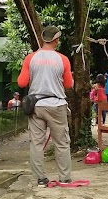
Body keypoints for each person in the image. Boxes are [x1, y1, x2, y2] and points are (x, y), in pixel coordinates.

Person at [17, 26, 74, 187]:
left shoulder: (30, 58)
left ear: (43, 39)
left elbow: (21, 82)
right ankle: (64, 178)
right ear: (56, 40)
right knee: (61, 142)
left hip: (36, 106)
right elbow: (68, 85)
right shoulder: (63, 59)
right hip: (57, 105)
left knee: (37, 143)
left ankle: (41, 179)